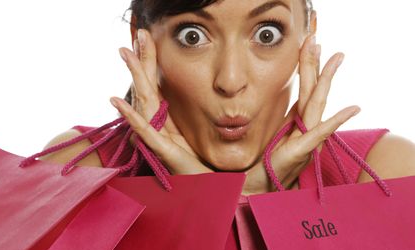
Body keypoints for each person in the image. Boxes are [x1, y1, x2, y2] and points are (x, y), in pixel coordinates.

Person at [42, 0, 415, 193]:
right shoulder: (79, 171)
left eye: (267, 34)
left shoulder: (382, 174)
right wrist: (226, 200)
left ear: (308, 35)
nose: (231, 80)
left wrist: (253, 200)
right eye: (192, 36)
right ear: (141, 39)